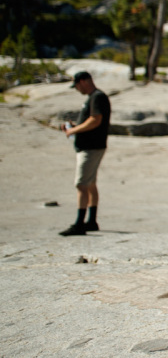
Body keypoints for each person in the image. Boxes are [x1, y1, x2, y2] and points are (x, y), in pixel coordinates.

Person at [60, 71, 111, 236]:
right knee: (90, 184)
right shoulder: (95, 97)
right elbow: (91, 120)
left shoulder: (97, 97)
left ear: (82, 81)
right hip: (93, 146)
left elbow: (96, 119)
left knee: (81, 184)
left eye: (76, 85)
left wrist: (73, 130)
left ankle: (79, 223)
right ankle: (91, 221)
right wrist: (74, 126)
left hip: (91, 148)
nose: (76, 89)